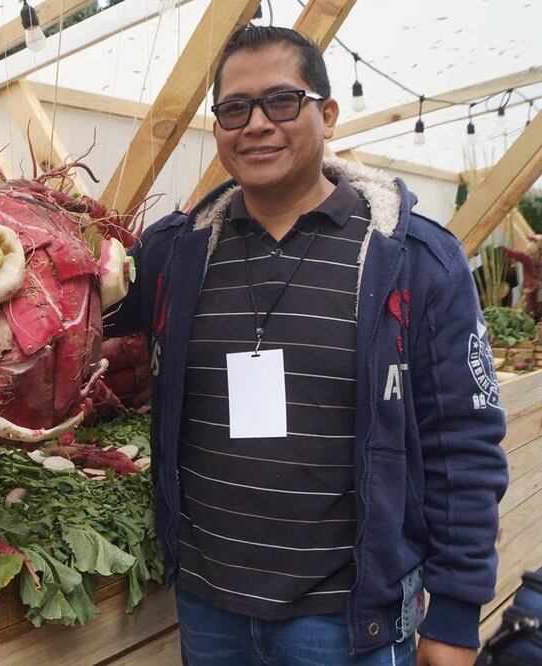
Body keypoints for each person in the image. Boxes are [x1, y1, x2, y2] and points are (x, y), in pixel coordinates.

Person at [108, 25, 508, 666]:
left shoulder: (414, 259)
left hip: (347, 622)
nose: (257, 124)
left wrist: (456, 613)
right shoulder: (176, 252)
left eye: (281, 102)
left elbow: (463, 440)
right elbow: (70, 311)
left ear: (327, 113)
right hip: (210, 609)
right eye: (234, 109)